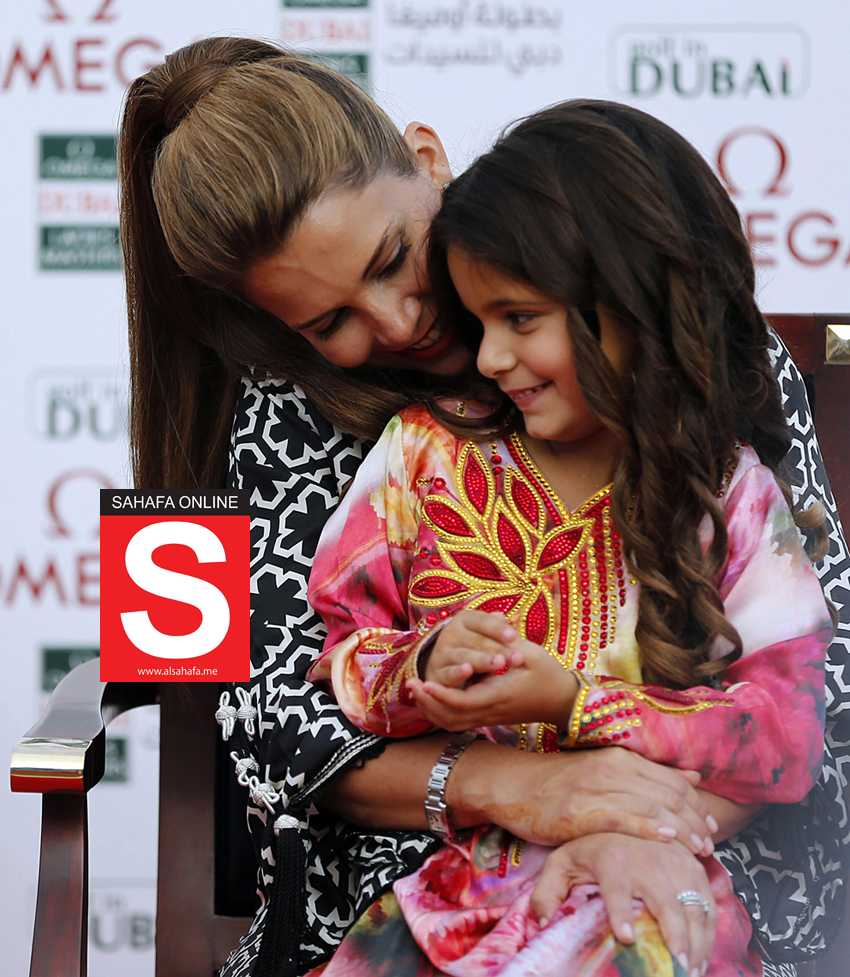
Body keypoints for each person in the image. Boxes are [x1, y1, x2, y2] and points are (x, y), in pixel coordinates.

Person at [116, 37, 850, 977]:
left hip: (707, 856)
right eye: (330, 322)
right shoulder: (257, 411)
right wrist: (521, 788)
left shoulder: (697, 356)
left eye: (394, 257)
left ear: (427, 160)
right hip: (399, 889)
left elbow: (815, 682)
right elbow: (264, 727)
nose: (398, 320)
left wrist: (645, 828)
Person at [304, 99, 835, 977]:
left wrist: (577, 703)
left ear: (631, 305)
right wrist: (425, 664)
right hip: (459, 897)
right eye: (479, 322)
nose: (487, 358)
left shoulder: (729, 496)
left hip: (652, 896)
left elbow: (785, 735)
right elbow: (344, 657)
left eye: (519, 318)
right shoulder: (423, 456)